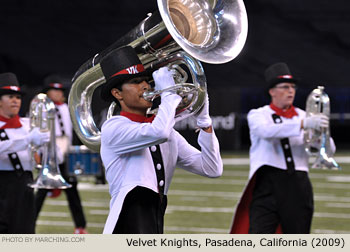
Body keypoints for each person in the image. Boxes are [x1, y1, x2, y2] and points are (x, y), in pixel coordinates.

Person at [99, 46, 223, 234]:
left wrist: (204, 122)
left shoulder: (167, 133)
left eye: (147, 81)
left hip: (155, 222)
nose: (146, 86)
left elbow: (212, 169)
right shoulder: (113, 127)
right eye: (135, 82)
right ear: (117, 94)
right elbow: (158, 133)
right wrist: (168, 95)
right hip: (125, 225)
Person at [230, 62, 336, 234]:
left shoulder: (305, 115)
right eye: (285, 87)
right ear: (272, 91)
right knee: (257, 236)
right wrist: (304, 123)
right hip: (265, 185)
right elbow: (267, 131)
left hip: (298, 186)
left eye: (293, 87)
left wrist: (322, 133)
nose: (291, 91)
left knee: (297, 238)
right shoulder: (258, 115)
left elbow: (329, 149)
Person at [34, 76, 88, 234]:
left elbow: (72, 132)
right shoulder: (41, 109)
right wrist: (38, 153)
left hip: (66, 154)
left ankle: (80, 226)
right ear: (47, 92)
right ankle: (29, 223)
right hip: (49, 155)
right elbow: (37, 132)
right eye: (54, 90)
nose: (57, 93)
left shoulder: (66, 107)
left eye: (59, 91)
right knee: (41, 192)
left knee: (72, 191)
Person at [0, 72, 50, 233]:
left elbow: (38, 155)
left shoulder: (28, 123)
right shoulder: (28, 131)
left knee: (24, 233)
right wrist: (28, 139)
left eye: (18, 97)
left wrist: (45, 143)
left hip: (24, 185)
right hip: (2, 182)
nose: (15, 100)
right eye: (10, 96)